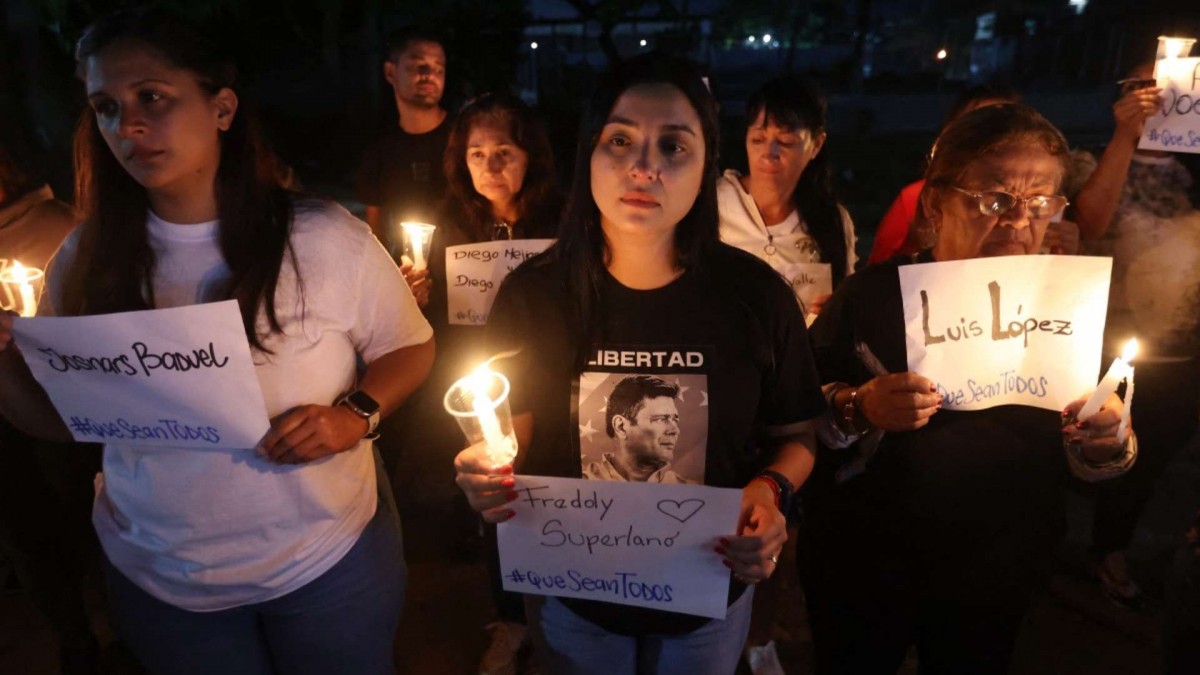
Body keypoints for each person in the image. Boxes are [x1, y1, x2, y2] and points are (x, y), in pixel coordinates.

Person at [0, 9, 435, 674]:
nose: (127, 125)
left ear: (223, 107)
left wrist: (356, 415)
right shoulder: (85, 257)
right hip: (161, 578)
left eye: (152, 97)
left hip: (326, 560)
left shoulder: (322, 237)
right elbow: (60, 419)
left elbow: (409, 347)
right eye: (106, 107)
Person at [453, 53, 825, 674]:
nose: (643, 168)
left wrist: (770, 491)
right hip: (573, 594)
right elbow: (514, 430)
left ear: (707, 166)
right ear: (588, 154)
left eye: (673, 146)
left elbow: (797, 436)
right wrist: (486, 468)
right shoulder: (533, 293)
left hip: (709, 591)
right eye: (620, 140)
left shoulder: (757, 297)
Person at [802, 103, 1138, 674]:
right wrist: (858, 406)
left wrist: (1109, 441)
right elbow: (797, 412)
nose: (1018, 221)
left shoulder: (1070, 304)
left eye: (1040, 202)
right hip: (865, 558)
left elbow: (1103, 441)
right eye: (994, 199)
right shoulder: (871, 296)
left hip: (999, 565)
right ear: (936, 202)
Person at [395, 92, 561, 675]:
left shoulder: (563, 221)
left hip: (550, 381)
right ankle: (511, 618)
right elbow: (436, 317)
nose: (490, 166)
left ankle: (566, 603)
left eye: (504, 152)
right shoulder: (449, 225)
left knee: (552, 488)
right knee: (497, 495)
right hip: (481, 384)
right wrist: (414, 295)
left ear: (530, 155)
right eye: (476, 153)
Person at [1070, 63, 1197, 609]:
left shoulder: (1192, 171)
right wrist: (1126, 137)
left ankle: (1110, 549)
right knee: (1092, 449)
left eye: (1172, 86)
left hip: (1182, 347)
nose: (1156, 96)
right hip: (1106, 344)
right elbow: (1089, 224)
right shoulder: (1089, 164)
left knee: (1153, 461)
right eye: (1142, 85)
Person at [0, 127, 101, 674]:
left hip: (64, 410)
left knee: (85, 517)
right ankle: (74, 638)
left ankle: (121, 627)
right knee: (24, 529)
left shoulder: (62, 227)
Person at [717, 75, 855, 318]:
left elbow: (848, 305)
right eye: (758, 139)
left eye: (785, 141)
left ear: (816, 145)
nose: (768, 153)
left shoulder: (831, 221)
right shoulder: (712, 205)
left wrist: (836, 312)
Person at [866, 84, 1021, 265]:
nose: (995, 138)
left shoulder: (1036, 205)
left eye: (1006, 126)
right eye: (979, 127)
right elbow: (878, 271)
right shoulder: (914, 199)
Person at [356, 25, 452, 245]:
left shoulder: (467, 140)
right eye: (418, 65)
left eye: (438, 69)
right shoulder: (380, 149)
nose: (429, 75)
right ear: (390, 72)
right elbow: (376, 232)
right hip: (403, 265)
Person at [583, 374, 690, 484]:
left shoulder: (688, 488)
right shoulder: (581, 483)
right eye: (660, 419)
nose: (675, 430)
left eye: (675, 420)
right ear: (621, 427)